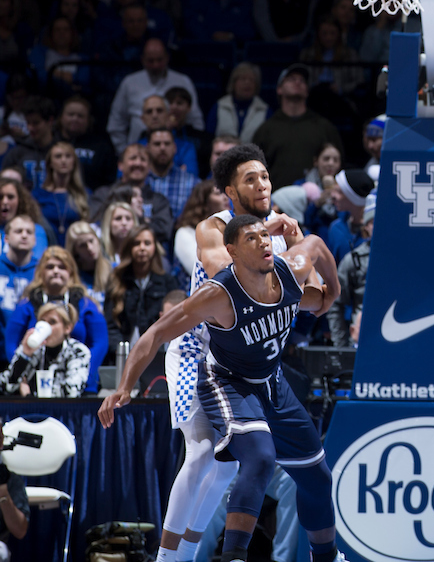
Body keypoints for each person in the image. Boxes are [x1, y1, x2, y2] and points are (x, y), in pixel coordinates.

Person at [98, 215, 341, 562]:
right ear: (232, 252)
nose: (264, 242)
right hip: (227, 381)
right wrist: (124, 387)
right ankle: (228, 556)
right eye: (252, 239)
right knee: (256, 457)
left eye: (265, 235)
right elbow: (154, 334)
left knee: (317, 476)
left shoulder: (291, 270)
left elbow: (316, 245)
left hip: (271, 380)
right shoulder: (218, 295)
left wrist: (333, 291)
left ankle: (327, 557)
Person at [158, 144, 330, 562]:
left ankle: (191, 553)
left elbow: (317, 293)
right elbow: (229, 273)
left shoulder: (281, 230)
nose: (262, 185)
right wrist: (281, 246)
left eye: (265, 176)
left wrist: (305, 264)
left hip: (244, 354)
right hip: (194, 349)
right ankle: (167, 558)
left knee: (230, 465)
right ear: (228, 191)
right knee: (199, 453)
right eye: (250, 178)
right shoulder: (213, 228)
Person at [5, 247, 107, 391]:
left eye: (62, 267)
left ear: (70, 272)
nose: (56, 271)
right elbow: (12, 343)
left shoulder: (85, 303)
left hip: (79, 382)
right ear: (41, 272)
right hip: (34, 385)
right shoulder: (26, 304)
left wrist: (84, 375)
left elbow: (100, 342)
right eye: (50, 267)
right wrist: (22, 376)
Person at [251, 65, 343, 187]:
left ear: (307, 91)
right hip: (277, 199)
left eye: (302, 80)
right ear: (279, 89)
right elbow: (253, 168)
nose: (298, 82)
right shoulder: (266, 130)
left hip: (317, 199)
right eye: (291, 79)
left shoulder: (324, 127)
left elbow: (340, 164)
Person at [106, 39, 203, 149]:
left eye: (159, 60)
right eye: (150, 61)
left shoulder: (183, 81)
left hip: (177, 150)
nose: (155, 65)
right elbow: (116, 123)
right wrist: (124, 152)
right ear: (142, 59)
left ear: (167, 57)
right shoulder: (129, 82)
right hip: (138, 151)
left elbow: (196, 121)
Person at [89, 144, 173, 248]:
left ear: (149, 167)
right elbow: (94, 223)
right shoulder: (104, 194)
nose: (138, 163)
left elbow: (164, 231)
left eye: (143, 159)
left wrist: (138, 218)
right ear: (120, 165)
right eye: (133, 158)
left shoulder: (159, 200)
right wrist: (143, 220)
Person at [104, 226, 171, 354]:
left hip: (157, 353)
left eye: (147, 243)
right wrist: (120, 350)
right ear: (129, 248)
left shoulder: (167, 282)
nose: (142, 248)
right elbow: (110, 324)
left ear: (154, 247)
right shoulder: (116, 281)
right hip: (122, 354)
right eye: (136, 243)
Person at [0, 302, 89, 396]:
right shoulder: (32, 347)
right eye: (42, 321)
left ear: (67, 328)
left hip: (63, 410)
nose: (46, 327)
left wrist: (29, 397)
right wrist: (24, 356)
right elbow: (4, 386)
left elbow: (72, 392)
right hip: (26, 410)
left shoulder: (78, 351)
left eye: (52, 322)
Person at [330, 193, 372, 347]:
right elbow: (336, 303)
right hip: (360, 341)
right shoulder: (354, 259)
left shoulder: (399, 260)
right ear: (366, 226)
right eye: (374, 222)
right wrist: (340, 347)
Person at [33, 141, 90, 247]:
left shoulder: (84, 194)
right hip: (45, 248)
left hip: (75, 252)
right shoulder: (38, 195)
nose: (63, 160)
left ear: (74, 162)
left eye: (68, 156)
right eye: (58, 156)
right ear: (50, 163)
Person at [171, 180, 225, 281]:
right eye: (218, 194)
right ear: (204, 202)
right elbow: (201, 269)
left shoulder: (228, 230)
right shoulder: (185, 233)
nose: (226, 197)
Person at [145, 128, 199, 220]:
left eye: (167, 144)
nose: (162, 148)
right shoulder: (141, 181)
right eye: (157, 144)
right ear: (148, 148)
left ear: (174, 148)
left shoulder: (192, 183)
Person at [66, 220, 112, 309]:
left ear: (98, 240)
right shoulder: (70, 276)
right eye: (82, 245)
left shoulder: (113, 270)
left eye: (91, 241)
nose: (89, 248)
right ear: (75, 251)